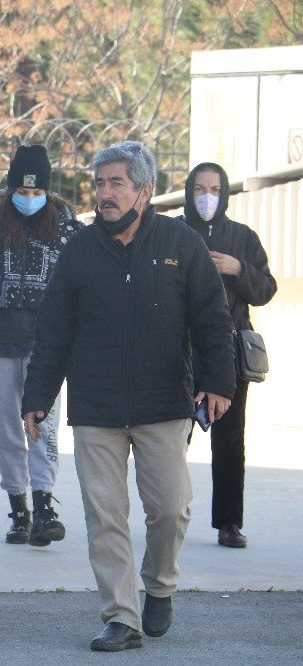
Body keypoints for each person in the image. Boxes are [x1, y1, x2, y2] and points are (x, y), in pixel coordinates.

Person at [21, 141, 235, 652]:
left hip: (164, 403)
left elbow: (212, 319)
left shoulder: (180, 243)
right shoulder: (79, 249)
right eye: (100, 184)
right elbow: (53, 331)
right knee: (105, 515)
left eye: (116, 183)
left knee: (171, 510)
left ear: (144, 191)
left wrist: (218, 381)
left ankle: (159, 585)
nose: (105, 194)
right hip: (96, 407)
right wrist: (38, 396)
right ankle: (122, 615)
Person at [0, 145, 81, 547]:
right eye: (23, 189)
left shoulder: (67, 223)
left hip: (46, 341)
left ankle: (44, 505)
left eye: (39, 192)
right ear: (10, 186)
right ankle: (18, 508)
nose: (31, 198)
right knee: (6, 427)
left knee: (44, 424)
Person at [176, 162, 277, 548]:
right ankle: (169, 514)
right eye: (200, 188)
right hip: (181, 354)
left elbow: (266, 289)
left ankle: (228, 523)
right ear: (188, 191)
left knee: (230, 442)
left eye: (215, 190)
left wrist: (239, 269)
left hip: (227, 356)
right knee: (173, 439)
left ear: (225, 194)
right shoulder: (173, 231)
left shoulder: (242, 237)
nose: (207, 197)